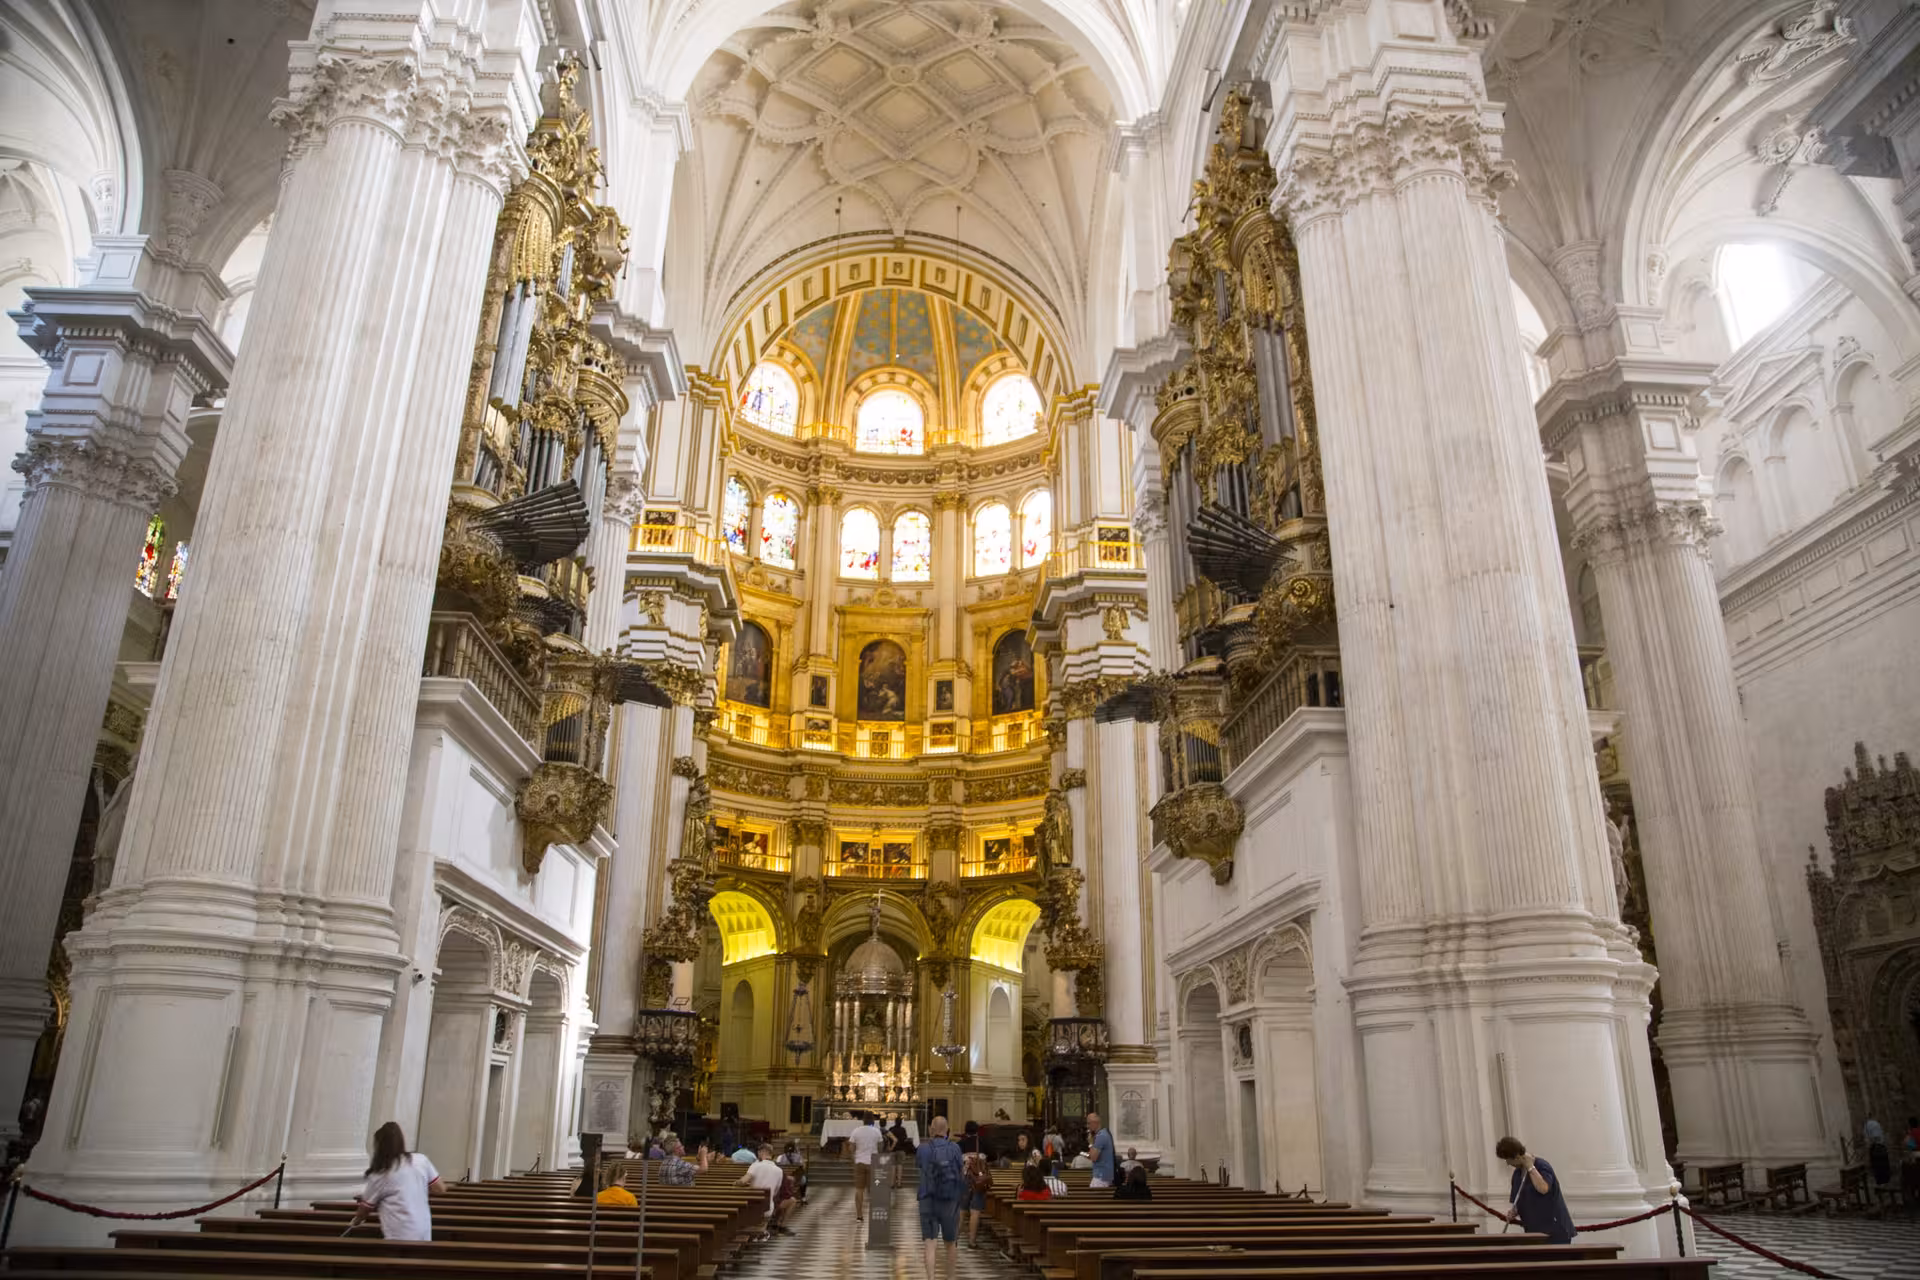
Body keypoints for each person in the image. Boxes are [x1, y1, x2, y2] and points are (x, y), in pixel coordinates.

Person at [349, 1121, 443, 1241]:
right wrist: (417, 1188)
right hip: (423, 1229)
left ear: (379, 1146)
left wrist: (356, 1221)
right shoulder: (421, 1160)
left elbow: (365, 1208)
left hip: (399, 1233)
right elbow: (440, 1188)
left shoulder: (380, 1173)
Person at [1495, 1136, 1575, 1245]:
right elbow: (1518, 1201)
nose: (1507, 1163)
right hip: (1533, 1231)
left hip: (1554, 1231)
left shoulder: (1541, 1166)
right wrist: (1514, 1212)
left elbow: (1543, 1189)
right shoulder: (1517, 1174)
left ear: (1516, 1156)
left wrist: (1530, 1168)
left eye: (1507, 1159)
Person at [915, 1115, 967, 1280]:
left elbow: (920, 1167)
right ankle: (950, 1277)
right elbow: (961, 1171)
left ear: (931, 1130)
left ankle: (931, 1278)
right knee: (951, 1243)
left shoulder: (922, 1148)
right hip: (949, 1200)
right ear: (947, 1130)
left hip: (927, 1198)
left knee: (930, 1244)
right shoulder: (955, 1148)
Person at [739, 1144, 794, 1236]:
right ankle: (769, 1228)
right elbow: (776, 1192)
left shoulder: (755, 1165)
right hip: (768, 1208)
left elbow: (743, 1181)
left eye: (758, 1152)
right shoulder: (779, 1171)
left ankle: (757, 1230)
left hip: (752, 1207)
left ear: (762, 1152)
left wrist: (736, 1183)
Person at [849, 1111, 885, 1221]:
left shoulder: (856, 1131)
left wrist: (854, 1158)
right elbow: (880, 1147)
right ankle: (874, 1215)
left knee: (859, 1190)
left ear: (863, 1120)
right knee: (874, 1189)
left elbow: (851, 1148)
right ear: (873, 1120)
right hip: (873, 1162)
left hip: (860, 1162)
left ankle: (859, 1215)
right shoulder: (876, 1131)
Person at [962, 1149, 993, 1248]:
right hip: (980, 1179)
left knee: (961, 1210)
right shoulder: (984, 1144)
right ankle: (972, 1241)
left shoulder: (961, 1143)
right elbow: (993, 1157)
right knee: (975, 1211)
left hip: (965, 1176)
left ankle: (953, 1240)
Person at [1085, 1111, 1116, 1189]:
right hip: (1104, 1175)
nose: (1087, 1126)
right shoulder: (1105, 1133)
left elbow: (1093, 1157)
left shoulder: (1101, 1136)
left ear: (1095, 1123)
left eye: (1089, 1123)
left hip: (1101, 1176)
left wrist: (1090, 1143)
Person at [1867, 1118, 1892, 1186]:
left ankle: (1882, 1181)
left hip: (1878, 1150)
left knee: (1880, 1167)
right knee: (1880, 1167)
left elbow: (1875, 1140)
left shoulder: (1875, 1131)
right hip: (1879, 1150)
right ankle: (1882, 1181)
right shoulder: (1878, 1130)